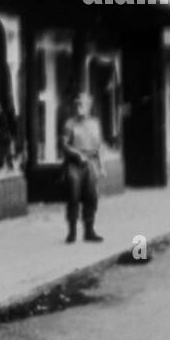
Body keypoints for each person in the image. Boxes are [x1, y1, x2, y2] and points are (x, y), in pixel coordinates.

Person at [60, 91, 105, 244]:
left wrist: (102, 166)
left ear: (89, 106)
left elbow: (99, 146)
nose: (80, 107)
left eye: (83, 104)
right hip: (75, 164)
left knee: (91, 196)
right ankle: (72, 231)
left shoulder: (95, 123)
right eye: (77, 104)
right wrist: (77, 154)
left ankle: (89, 230)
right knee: (73, 196)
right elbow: (64, 145)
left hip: (91, 163)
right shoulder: (70, 123)